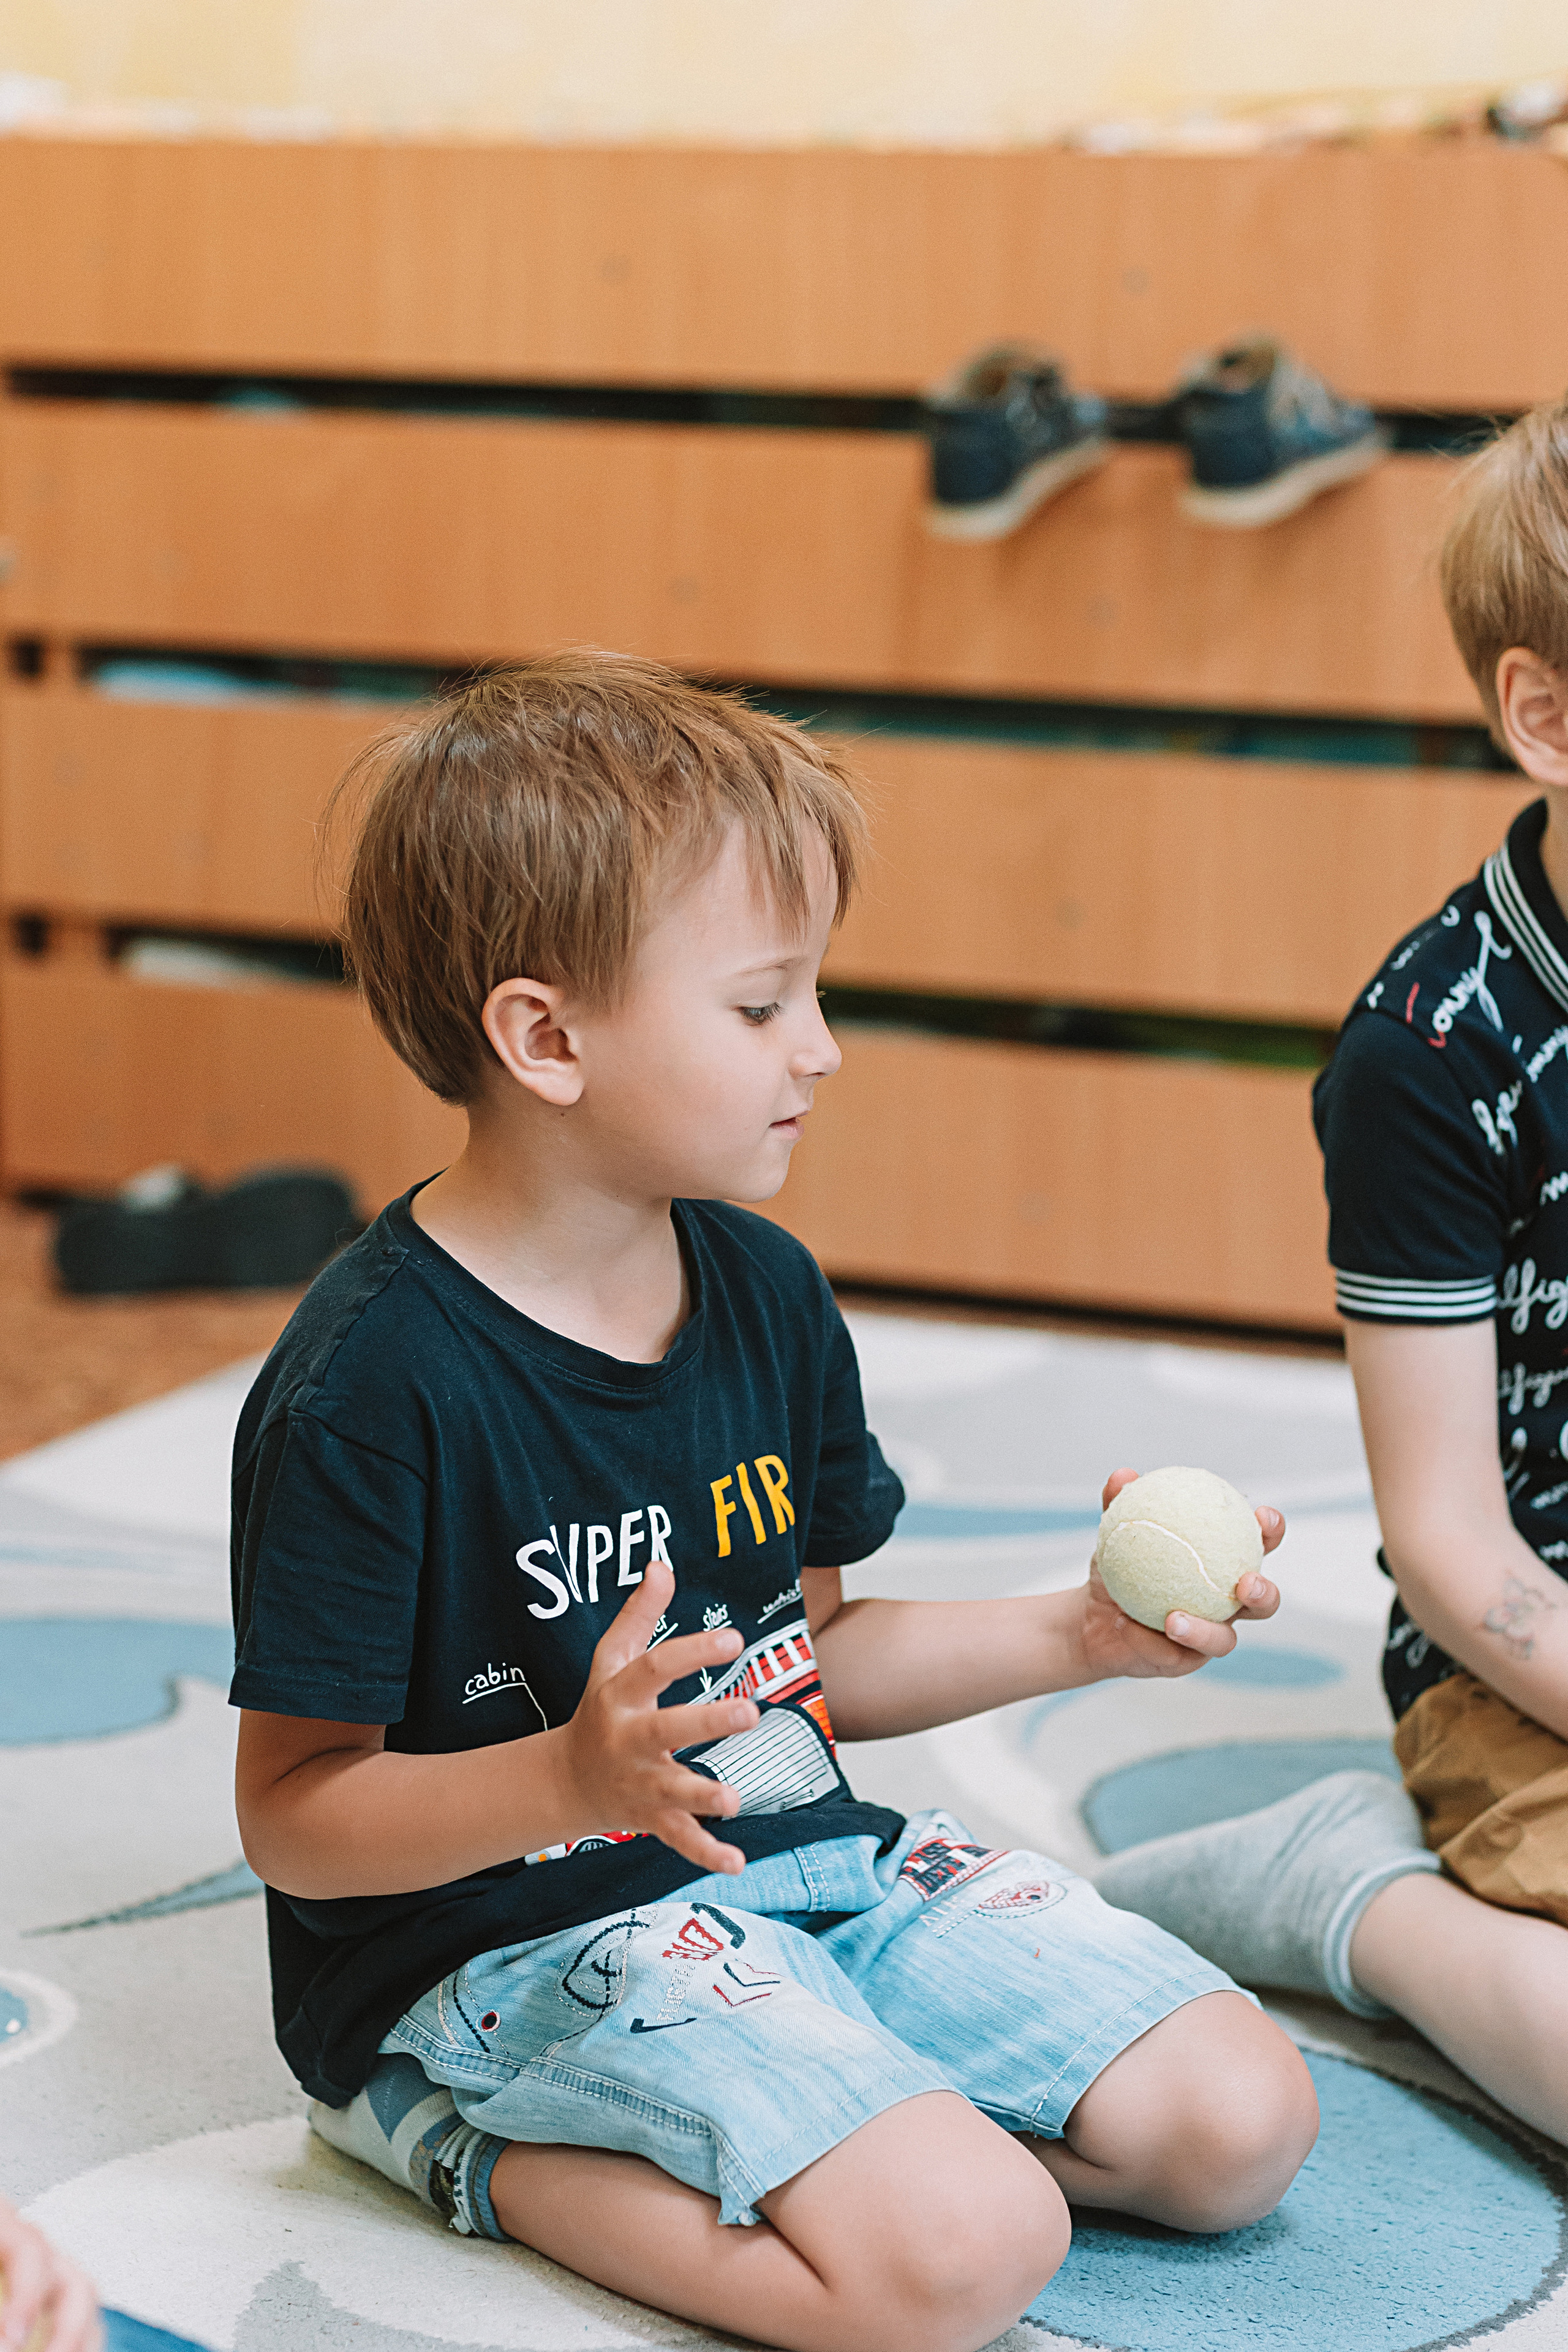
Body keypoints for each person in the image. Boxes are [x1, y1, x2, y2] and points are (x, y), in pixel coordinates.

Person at [230, 654, 1317, 2352]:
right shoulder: (370, 1387)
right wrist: (569, 1778)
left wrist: (1083, 1633)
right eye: (759, 1008)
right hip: (505, 1944)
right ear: (546, 1039)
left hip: (799, 1863)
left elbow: (808, 1660)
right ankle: (447, 2142)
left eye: (814, 992)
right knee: (964, 2259)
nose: (821, 1048)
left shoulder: (766, 1293)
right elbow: (295, 1816)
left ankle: (861, 2121)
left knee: (1239, 2126)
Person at [1094, 396, 1568, 2149]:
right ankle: (1356, 1903)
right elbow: (1449, 1544)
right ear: (1545, 714)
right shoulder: (1432, 1052)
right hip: (1516, 1674)